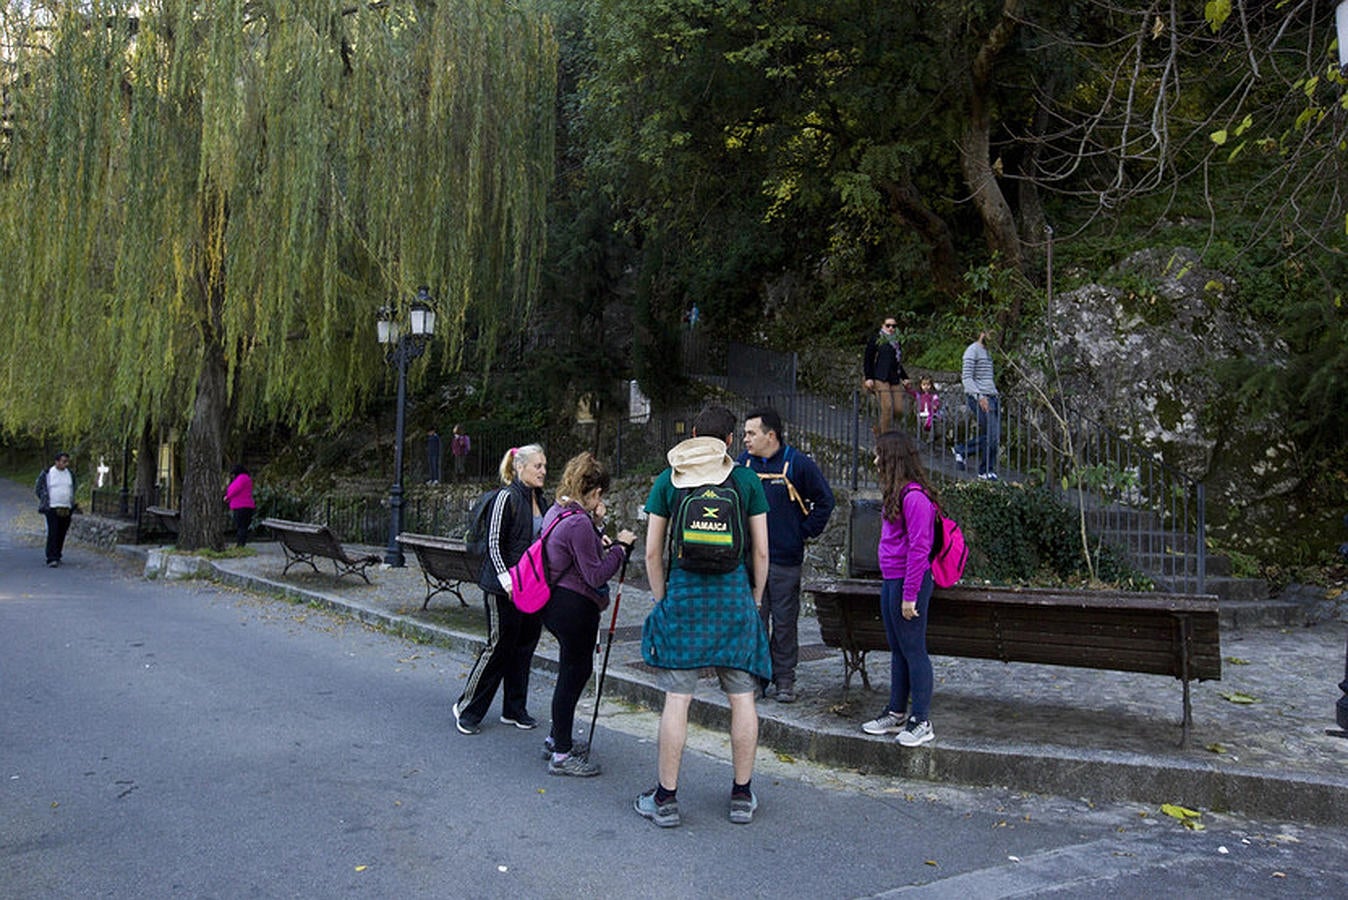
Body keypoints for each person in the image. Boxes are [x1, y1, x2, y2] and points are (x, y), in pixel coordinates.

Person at [636, 404, 771, 828]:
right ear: (730, 441)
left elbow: (653, 552)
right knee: (742, 698)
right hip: (733, 597)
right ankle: (742, 795)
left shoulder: (668, 481)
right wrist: (754, 597)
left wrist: (663, 598)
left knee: (678, 700)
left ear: (693, 434)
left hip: (685, 597)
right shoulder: (746, 480)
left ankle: (666, 799)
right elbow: (763, 550)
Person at [538, 453, 637, 777]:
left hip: (554, 603)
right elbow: (595, 575)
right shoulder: (579, 522)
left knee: (570, 673)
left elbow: (580, 552)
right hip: (574, 607)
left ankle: (557, 739)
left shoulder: (559, 510)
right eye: (600, 494)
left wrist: (598, 528)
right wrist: (620, 548)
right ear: (593, 492)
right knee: (573, 676)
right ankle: (562, 755)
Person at [737, 407, 834, 704]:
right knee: (754, 620)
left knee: (784, 621)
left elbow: (825, 501)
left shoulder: (798, 464)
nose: (745, 439)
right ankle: (756, 678)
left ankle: (784, 679)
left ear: (771, 435)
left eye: (751, 433)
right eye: (744, 433)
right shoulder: (743, 465)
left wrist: (802, 532)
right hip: (751, 561)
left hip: (784, 560)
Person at [454, 444, 548, 736]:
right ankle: (468, 708)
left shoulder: (541, 501)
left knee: (524, 646)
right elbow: (493, 544)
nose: (543, 471)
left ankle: (514, 708)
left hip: (531, 588)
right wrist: (507, 580)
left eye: (545, 466)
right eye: (538, 466)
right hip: (502, 588)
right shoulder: (505, 498)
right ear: (520, 467)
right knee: (499, 646)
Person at [861, 430, 938, 748]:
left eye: (880, 454)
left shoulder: (915, 497)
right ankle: (896, 711)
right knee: (898, 649)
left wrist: (910, 595)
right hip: (892, 579)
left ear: (893, 459)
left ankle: (921, 719)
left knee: (914, 649)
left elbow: (920, 548)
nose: (875, 460)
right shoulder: (897, 494)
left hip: (910, 583)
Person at [952, 331, 1000, 481]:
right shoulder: (972, 350)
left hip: (992, 396)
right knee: (992, 435)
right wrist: (980, 397)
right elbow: (966, 377)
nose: (994, 337)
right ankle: (985, 470)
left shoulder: (988, 352)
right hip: (981, 397)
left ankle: (962, 450)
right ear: (982, 333)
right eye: (991, 334)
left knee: (993, 435)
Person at [863, 317, 910, 434]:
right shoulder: (876, 339)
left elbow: (897, 362)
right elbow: (868, 359)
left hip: (894, 377)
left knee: (899, 409)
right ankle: (884, 439)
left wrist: (905, 377)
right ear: (882, 325)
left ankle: (879, 429)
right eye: (888, 325)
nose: (891, 328)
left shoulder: (896, 342)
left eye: (894, 326)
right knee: (887, 407)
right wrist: (868, 377)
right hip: (880, 377)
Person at [35, 451, 77, 567]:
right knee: (53, 532)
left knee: (62, 532)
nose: (65, 464)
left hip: (66, 506)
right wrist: (45, 499)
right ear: (57, 462)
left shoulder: (70, 474)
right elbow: (38, 488)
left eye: (67, 462)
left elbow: (73, 487)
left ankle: (58, 554)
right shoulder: (48, 474)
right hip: (52, 507)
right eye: (63, 461)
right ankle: (51, 557)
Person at [223, 464, 256, 547]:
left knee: (240, 526)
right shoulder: (247, 478)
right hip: (247, 506)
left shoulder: (241, 478)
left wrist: (227, 497)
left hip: (240, 506)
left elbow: (235, 489)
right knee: (243, 526)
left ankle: (240, 544)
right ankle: (241, 543)